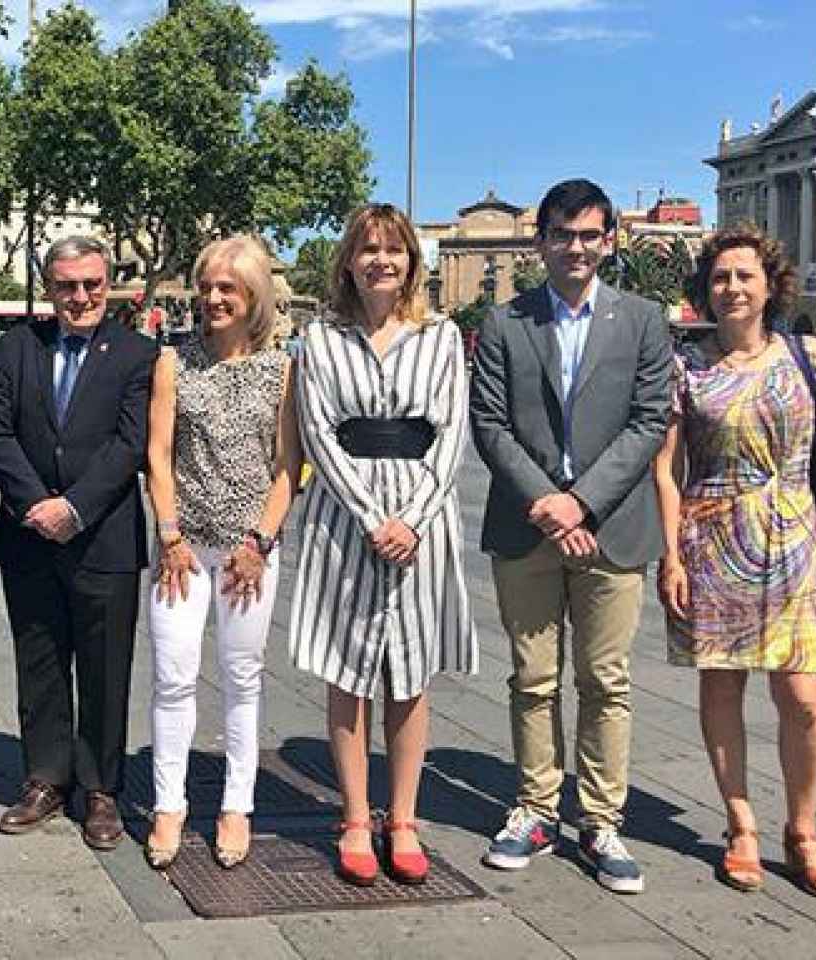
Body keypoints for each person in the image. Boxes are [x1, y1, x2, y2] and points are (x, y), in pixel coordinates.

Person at [651, 225, 816, 899]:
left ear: (769, 283)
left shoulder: (809, 357)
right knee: (722, 688)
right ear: (706, 289)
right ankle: (740, 823)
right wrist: (670, 556)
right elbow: (667, 470)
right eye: (720, 277)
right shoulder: (686, 367)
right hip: (712, 539)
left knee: (803, 696)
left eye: (744, 276)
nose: (732, 288)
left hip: (797, 539)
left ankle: (802, 830)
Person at [469, 179, 673, 894]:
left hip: (613, 527)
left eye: (589, 234)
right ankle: (533, 809)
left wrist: (581, 502)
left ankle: (600, 818)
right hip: (525, 527)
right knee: (533, 676)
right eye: (562, 233)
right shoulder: (505, 323)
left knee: (605, 679)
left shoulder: (643, 319)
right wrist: (547, 502)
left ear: (609, 240)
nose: (576, 247)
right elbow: (488, 423)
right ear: (541, 241)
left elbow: (651, 420)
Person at [289, 203, 478, 886]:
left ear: (411, 262)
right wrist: (371, 514)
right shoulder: (322, 337)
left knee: (411, 671)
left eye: (393, 251)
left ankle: (403, 817)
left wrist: (415, 516)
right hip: (347, 517)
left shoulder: (443, 337)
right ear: (348, 260)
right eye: (368, 249)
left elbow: (453, 433)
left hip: (422, 520)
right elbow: (318, 432)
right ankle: (354, 817)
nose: (381, 261)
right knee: (348, 672)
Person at [0, 236, 157, 850]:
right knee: (41, 660)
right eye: (66, 286)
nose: (79, 297)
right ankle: (45, 779)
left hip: (104, 537)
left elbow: (131, 444)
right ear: (48, 287)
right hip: (29, 537)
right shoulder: (15, 349)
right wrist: (36, 504)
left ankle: (103, 789)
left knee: (106, 667)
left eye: (91, 285)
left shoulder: (139, 354)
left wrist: (76, 508)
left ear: (108, 287)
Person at [143, 234, 301, 870]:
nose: (213, 298)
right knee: (173, 675)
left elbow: (289, 465)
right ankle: (168, 804)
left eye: (227, 288)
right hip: (183, 548)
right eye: (206, 286)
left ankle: (237, 804)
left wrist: (260, 541)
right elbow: (158, 454)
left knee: (242, 677)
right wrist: (170, 533)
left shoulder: (283, 368)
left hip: (248, 554)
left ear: (254, 295)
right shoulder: (174, 362)